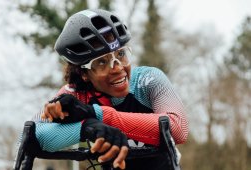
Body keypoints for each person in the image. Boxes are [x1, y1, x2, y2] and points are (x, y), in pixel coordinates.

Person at [31, 9, 188, 170]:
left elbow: (178, 129)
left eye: (120, 54)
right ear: (84, 73)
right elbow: (33, 135)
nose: (118, 68)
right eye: (101, 62)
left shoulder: (148, 80)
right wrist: (88, 127)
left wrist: (99, 115)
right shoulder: (76, 94)